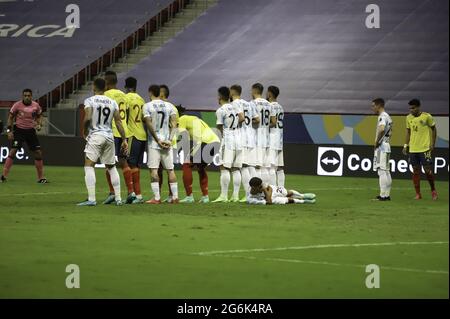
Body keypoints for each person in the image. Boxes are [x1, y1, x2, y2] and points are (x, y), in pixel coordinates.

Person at [77, 78, 128, 206]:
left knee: (89, 165)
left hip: (96, 136)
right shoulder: (112, 102)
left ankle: (92, 199)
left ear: (94, 87)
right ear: (105, 88)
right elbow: (118, 122)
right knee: (111, 167)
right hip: (109, 136)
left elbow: (88, 117)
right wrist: (124, 139)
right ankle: (118, 198)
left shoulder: (90, 101)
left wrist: (84, 130)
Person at [1, 88, 47, 183]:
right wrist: (9, 131)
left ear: (31, 96)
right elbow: (10, 117)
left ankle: (41, 178)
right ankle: (3, 176)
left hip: (30, 131)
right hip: (19, 131)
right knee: (13, 151)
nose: (27, 97)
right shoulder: (17, 105)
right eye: (25, 95)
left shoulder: (36, 105)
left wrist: (39, 124)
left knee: (38, 152)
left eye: (28, 96)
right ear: (22, 96)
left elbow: (40, 116)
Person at [143, 85, 179, 204]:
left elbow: (149, 124)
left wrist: (158, 140)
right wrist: (169, 139)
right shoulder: (170, 106)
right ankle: (175, 197)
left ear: (150, 92)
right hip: (167, 143)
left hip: (154, 143)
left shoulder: (147, 106)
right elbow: (174, 124)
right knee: (170, 170)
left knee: (154, 170)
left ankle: (157, 198)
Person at [176, 105, 220, 203]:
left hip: (205, 142)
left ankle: (189, 197)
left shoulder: (182, 119)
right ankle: (205, 197)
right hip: (216, 142)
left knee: (187, 165)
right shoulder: (194, 118)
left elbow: (184, 136)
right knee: (201, 168)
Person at [103, 71, 135, 204]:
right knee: (124, 162)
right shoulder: (124, 95)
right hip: (124, 133)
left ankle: (112, 192)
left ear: (107, 82)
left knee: (108, 164)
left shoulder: (105, 95)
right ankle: (131, 191)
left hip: (111, 131)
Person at [213, 86, 244, 203]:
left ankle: (224, 196)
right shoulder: (235, 107)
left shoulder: (220, 110)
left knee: (224, 167)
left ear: (220, 96)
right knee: (236, 168)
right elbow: (241, 118)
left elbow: (220, 127)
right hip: (239, 139)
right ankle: (235, 196)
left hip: (228, 140)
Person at [403, 99, 438, 200]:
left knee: (428, 171)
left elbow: (434, 129)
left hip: (425, 148)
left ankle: (433, 190)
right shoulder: (408, 118)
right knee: (415, 171)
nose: (411, 110)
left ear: (418, 107)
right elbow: (408, 132)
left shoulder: (427, 116)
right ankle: (418, 194)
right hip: (413, 149)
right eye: (410, 108)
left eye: (413, 108)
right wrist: (405, 145)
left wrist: (433, 143)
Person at [230, 84, 259, 202]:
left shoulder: (234, 104)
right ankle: (251, 193)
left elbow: (240, 118)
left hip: (240, 138)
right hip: (250, 138)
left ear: (232, 92)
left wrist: (232, 126)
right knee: (248, 166)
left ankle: (246, 194)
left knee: (239, 168)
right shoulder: (249, 103)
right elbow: (257, 120)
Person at [124, 77, 146, 204]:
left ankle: (133, 193)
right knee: (136, 165)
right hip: (142, 134)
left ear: (126, 86)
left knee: (129, 163)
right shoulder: (141, 99)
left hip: (132, 134)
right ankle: (138, 195)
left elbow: (124, 116)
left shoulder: (126, 98)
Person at [158, 84, 180, 203]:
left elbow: (174, 126)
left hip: (167, 142)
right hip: (168, 142)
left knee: (167, 169)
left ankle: (170, 195)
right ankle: (168, 195)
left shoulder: (169, 108)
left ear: (162, 94)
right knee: (163, 169)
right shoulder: (172, 108)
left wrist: (170, 140)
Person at [372, 98, 393, 201]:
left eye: (373, 106)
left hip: (382, 146)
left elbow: (381, 129)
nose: (373, 108)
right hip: (387, 144)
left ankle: (382, 195)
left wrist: (377, 142)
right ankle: (387, 195)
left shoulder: (382, 117)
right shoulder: (388, 116)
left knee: (381, 171)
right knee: (386, 171)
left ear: (378, 105)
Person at [250, 83, 272, 184]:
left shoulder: (252, 103)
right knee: (265, 167)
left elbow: (255, 120)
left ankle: (259, 190)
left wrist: (249, 123)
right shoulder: (268, 104)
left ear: (254, 91)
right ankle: (267, 189)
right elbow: (273, 121)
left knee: (257, 166)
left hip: (256, 138)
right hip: (267, 138)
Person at [247, 177, 316, 205]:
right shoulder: (251, 199)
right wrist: (265, 190)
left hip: (272, 191)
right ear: (254, 187)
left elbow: (269, 187)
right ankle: (304, 201)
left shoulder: (261, 185)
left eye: (261, 185)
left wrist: (268, 193)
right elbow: (269, 202)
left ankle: (302, 195)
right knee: (287, 200)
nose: (262, 187)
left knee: (287, 193)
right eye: (260, 186)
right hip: (269, 198)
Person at [268, 85, 285, 187]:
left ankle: (274, 190)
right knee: (280, 167)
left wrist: (264, 127)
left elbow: (273, 123)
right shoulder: (280, 107)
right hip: (280, 138)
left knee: (271, 167)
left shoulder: (270, 106)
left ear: (269, 93)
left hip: (272, 138)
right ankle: (281, 189)